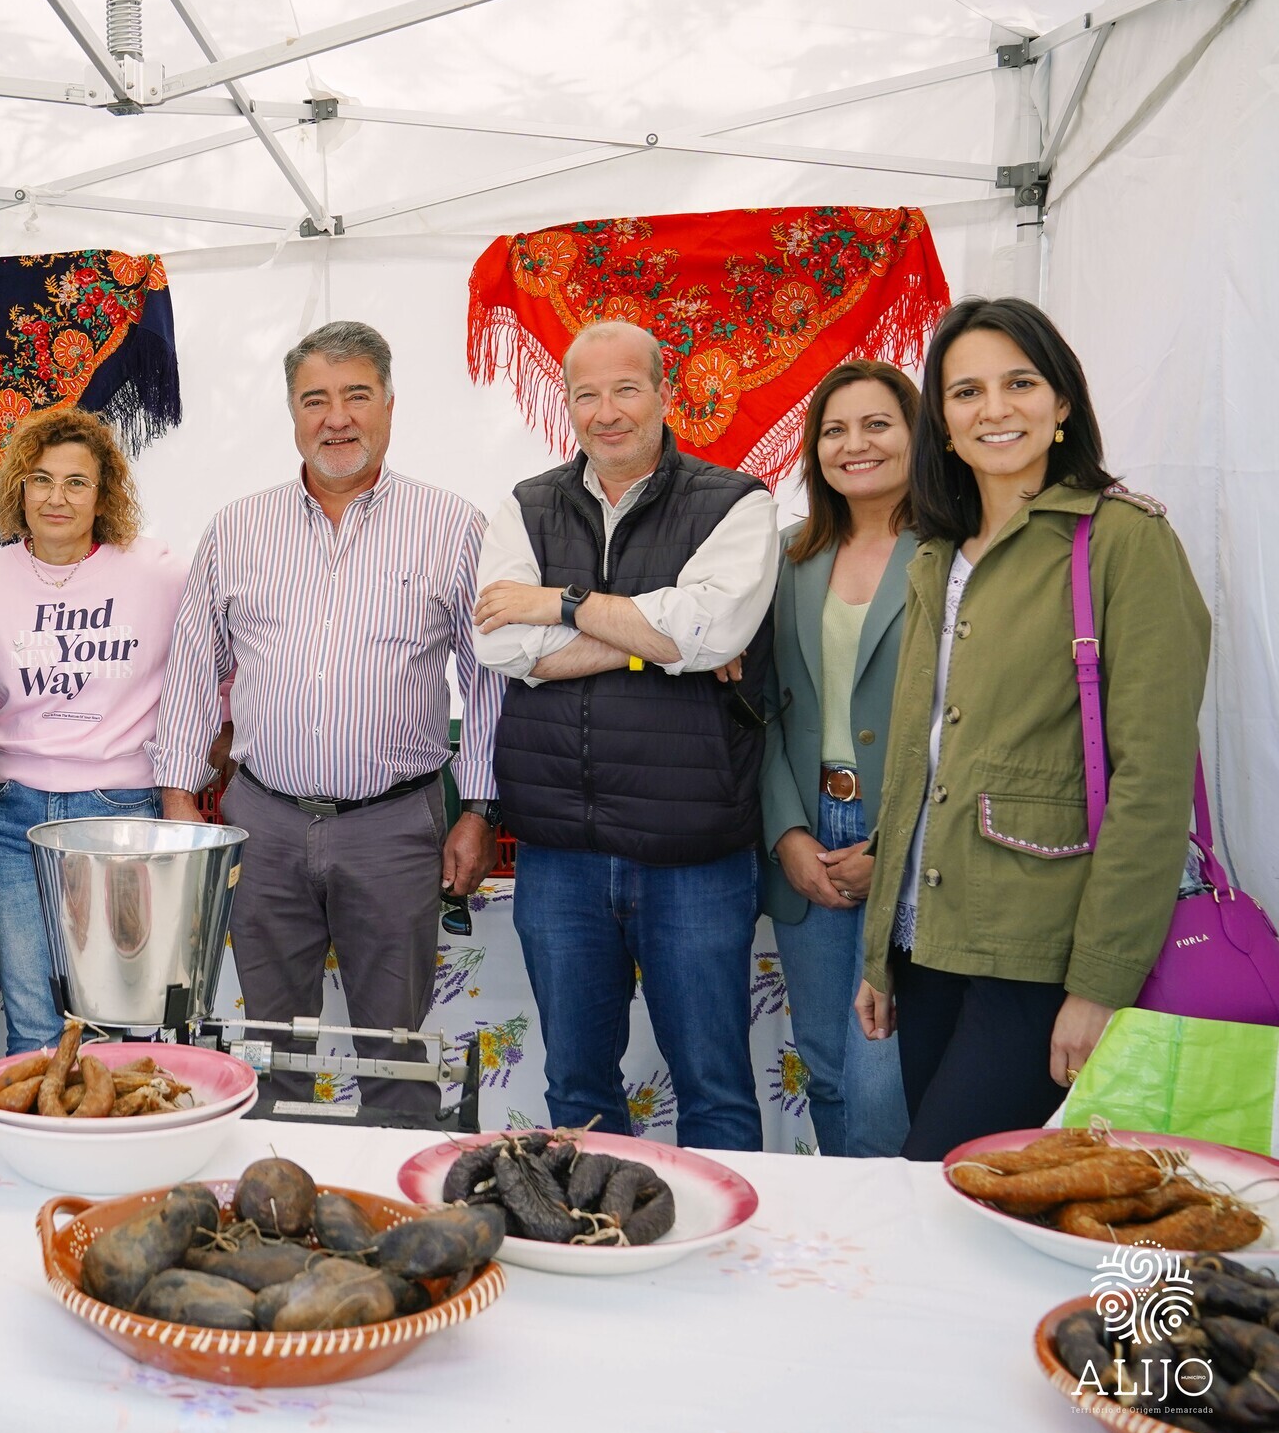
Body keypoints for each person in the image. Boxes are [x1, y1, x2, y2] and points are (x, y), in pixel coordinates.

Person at [855, 298, 1210, 1160]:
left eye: (1019, 383)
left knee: (944, 1174)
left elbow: (1153, 778)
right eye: (966, 392)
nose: (995, 409)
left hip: (1042, 946)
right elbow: (916, 757)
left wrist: (1100, 983)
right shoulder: (935, 553)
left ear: (1062, 404)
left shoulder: (1124, 539)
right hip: (926, 936)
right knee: (957, 1192)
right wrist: (879, 952)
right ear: (943, 424)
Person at [157, 321, 503, 1120]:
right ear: (292, 413)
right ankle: (271, 1192)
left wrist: (480, 809)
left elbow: (486, 677)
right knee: (270, 1049)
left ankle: (388, 1191)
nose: (337, 418)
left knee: (396, 1053)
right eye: (316, 399)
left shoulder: (453, 526)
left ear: (390, 405)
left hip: (395, 828)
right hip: (263, 824)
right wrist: (178, 797)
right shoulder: (237, 529)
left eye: (356, 396)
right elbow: (192, 668)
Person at [471, 319, 780, 1152]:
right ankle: (594, 1230)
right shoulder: (525, 506)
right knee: (576, 1087)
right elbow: (502, 646)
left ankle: (723, 1236)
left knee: (714, 1086)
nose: (606, 412)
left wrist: (561, 605)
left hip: (693, 851)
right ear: (567, 405)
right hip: (560, 853)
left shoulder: (736, 503)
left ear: (665, 394)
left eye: (626, 389)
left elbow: (712, 631)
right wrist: (656, 643)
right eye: (587, 395)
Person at [0, 408, 186, 1053]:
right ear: (18, 489)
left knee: (116, 1019)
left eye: (76, 482)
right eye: (41, 479)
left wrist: (201, 757)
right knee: (33, 1025)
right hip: (10, 815)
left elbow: (213, 670)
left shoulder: (158, 573)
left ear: (104, 495)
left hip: (117, 811)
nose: (56, 497)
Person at [758, 361, 920, 1158]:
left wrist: (894, 845)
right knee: (824, 1066)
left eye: (877, 424)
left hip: (909, 833)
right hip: (812, 833)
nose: (855, 444)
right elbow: (759, 708)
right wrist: (787, 832)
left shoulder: (954, 554)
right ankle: (845, 1222)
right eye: (834, 430)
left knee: (882, 1070)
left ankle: (893, 1227)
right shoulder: (787, 555)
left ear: (917, 435)